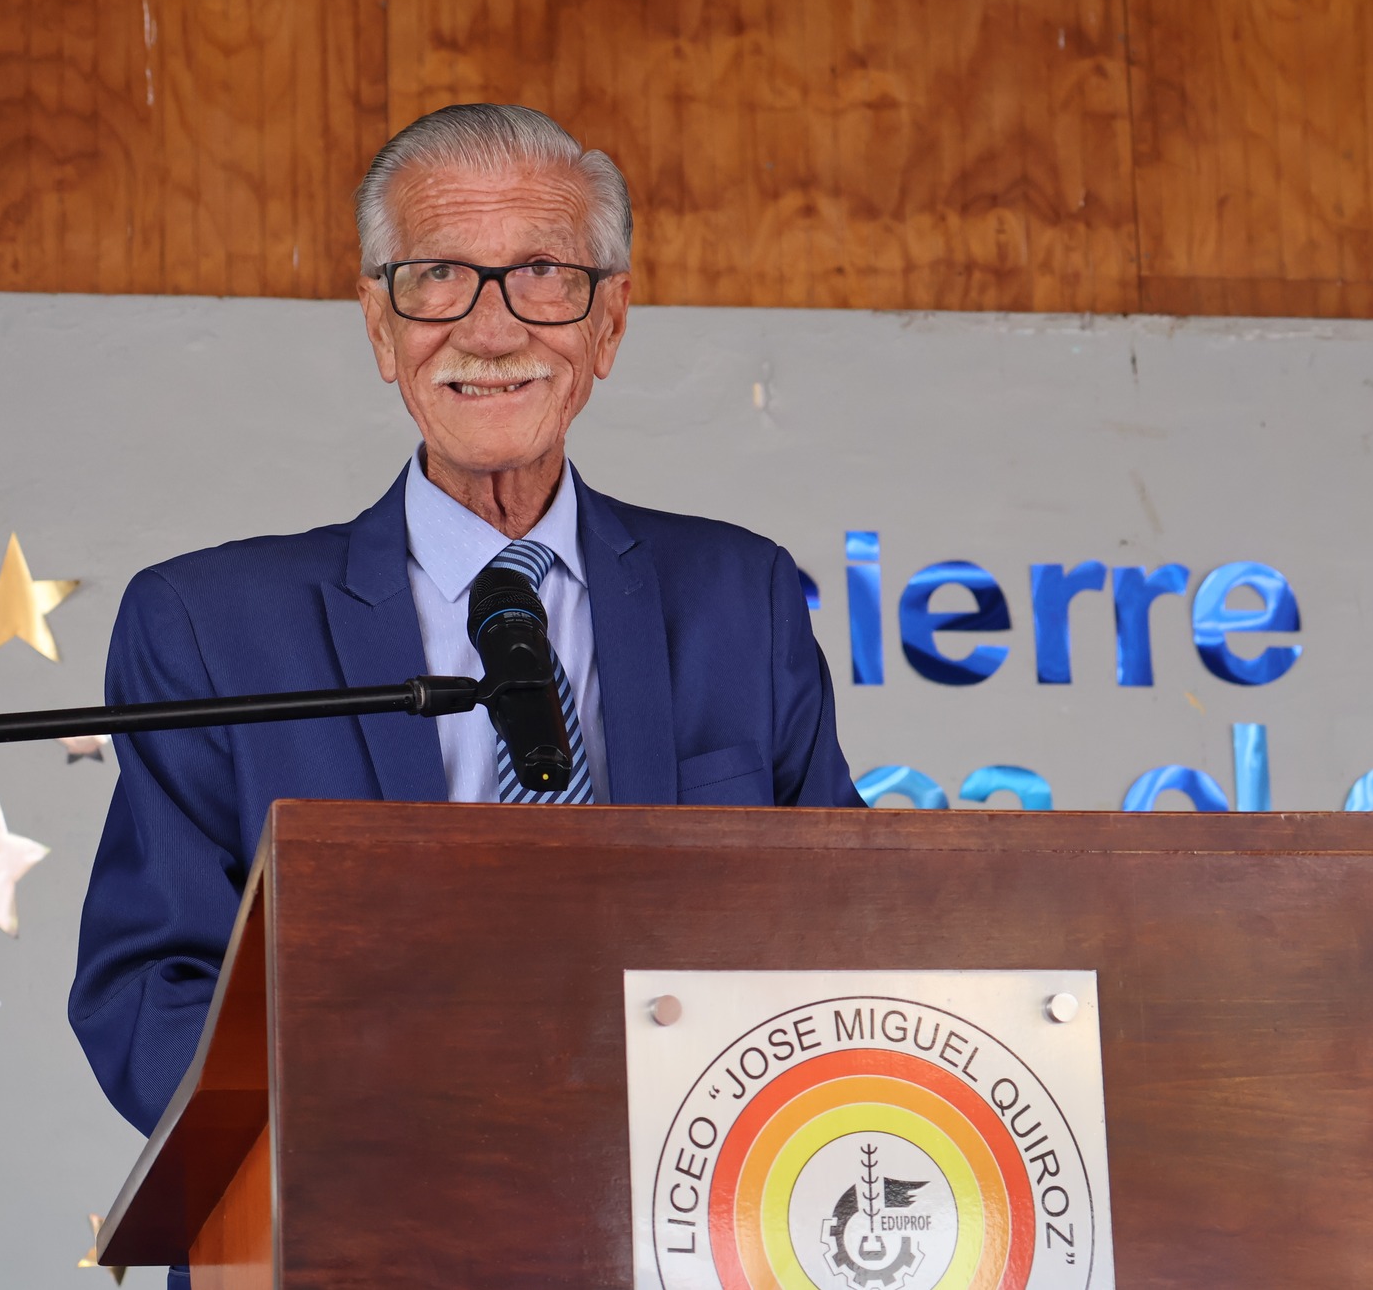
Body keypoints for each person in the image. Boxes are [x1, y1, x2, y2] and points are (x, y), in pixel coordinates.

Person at [71, 103, 863, 1140]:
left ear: (609, 322)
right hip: (358, 1212)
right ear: (379, 327)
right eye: (437, 276)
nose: (490, 331)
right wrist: (393, 1141)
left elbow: (852, 943)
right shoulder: (206, 628)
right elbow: (150, 995)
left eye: (542, 272)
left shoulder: (739, 598)